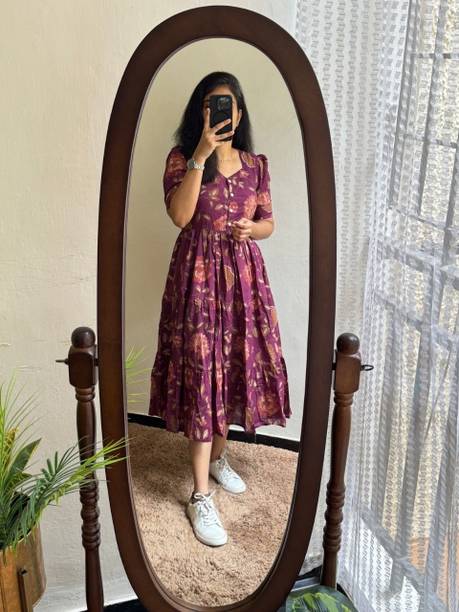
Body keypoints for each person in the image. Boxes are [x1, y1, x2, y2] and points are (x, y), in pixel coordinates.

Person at [149, 72, 291, 547]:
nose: (220, 114)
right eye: (212, 105)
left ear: (240, 114)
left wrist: (254, 230)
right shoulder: (182, 159)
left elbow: (268, 221)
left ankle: (217, 458)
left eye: (228, 106)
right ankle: (199, 495)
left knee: (232, 369)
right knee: (202, 371)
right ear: (201, 112)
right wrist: (201, 154)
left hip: (243, 280)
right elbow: (180, 216)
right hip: (196, 280)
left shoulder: (256, 165)